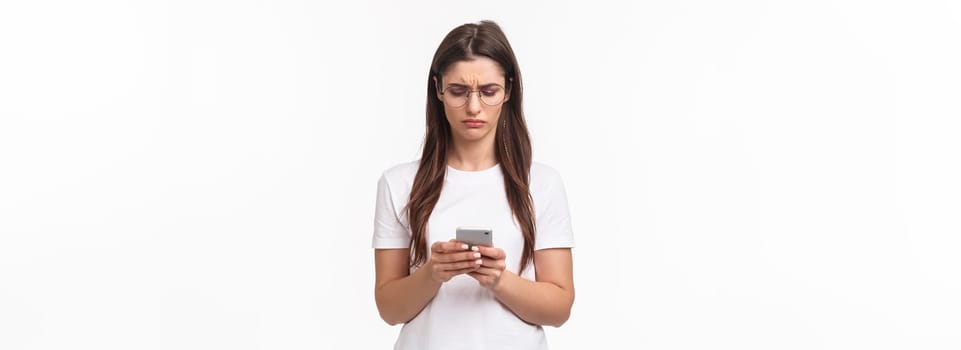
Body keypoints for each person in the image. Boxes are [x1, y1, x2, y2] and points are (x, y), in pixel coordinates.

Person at [371, 20, 575, 350]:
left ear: (508, 90)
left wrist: (499, 280)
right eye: (458, 91)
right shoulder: (399, 183)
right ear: (438, 89)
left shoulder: (541, 184)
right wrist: (433, 273)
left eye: (488, 91)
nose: (474, 107)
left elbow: (559, 307)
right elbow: (389, 308)